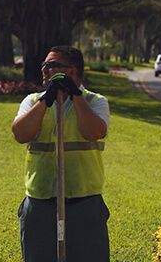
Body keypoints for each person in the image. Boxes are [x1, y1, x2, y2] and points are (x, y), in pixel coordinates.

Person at [11, 45, 111, 261]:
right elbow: (20, 134)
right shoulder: (32, 101)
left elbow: (94, 131)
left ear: (72, 72)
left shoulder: (96, 102)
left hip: (84, 202)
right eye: (44, 65)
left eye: (52, 65)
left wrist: (75, 95)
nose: (45, 69)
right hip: (41, 201)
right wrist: (45, 101)